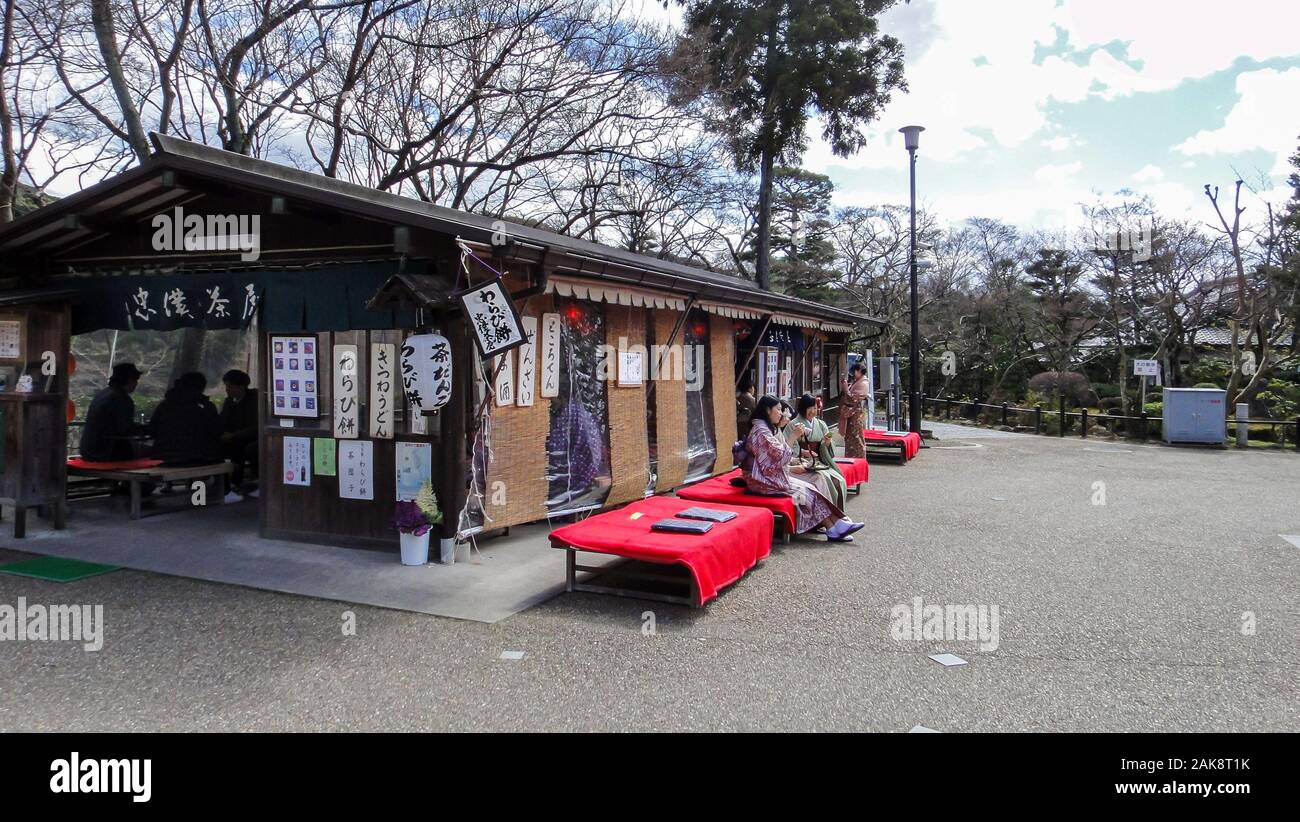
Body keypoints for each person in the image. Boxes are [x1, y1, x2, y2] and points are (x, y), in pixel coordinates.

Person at [741, 394, 865, 542]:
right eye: (778, 410)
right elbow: (779, 456)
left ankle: (837, 524)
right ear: (768, 410)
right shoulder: (761, 431)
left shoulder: (766, 428)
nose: (781, 414)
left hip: (771, 475)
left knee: (810, 487)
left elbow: (777, 457)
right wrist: (793, 437)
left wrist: (824, 443)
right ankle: (833, 527)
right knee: (805, 492)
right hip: (762, 480)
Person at [786, 392, 849, 508]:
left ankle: (839, 513)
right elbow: (789, 447)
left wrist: (827, 443)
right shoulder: (793, 424)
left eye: (815, 408)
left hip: (819, 461)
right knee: (829, 482)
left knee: (839, 481)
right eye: (809, 408)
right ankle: (827, 514)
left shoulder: (821, 424)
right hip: (802, 462)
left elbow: (827, 446)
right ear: (803, 408)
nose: (813, 411)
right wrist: (803, 452)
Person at [149, 372, 222, 466]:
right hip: (196, 456)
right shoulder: (205, 406)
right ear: (201, 388)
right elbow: (215, 431)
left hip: (162, 455)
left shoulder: (165, 405)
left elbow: (152, 430)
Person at [79, 362, 147, 462]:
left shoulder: (102, 394)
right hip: (105, 453)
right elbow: (124, 430)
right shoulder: (122, 399)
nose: (136, 383)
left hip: (87, 451)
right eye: (135, 380)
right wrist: (145, 429)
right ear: (128, 380)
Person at [219, 369, 259, 500]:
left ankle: (257, 481)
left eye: (230, 386)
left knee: (251, 448)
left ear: (241, 386)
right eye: (226, 386)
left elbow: (256, 426)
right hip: (236, 437)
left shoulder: (255, 400)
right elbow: (222, 421)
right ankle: (232, 482)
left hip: (254, 437)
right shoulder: (229, 402)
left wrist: (234, 435)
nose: (227, 390)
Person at [839, 361, 870, 458]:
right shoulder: (858, 381)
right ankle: (850, 457)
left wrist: (846, 389)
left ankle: (859, 459)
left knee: (856, 437)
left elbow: (853, 399)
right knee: (850, 437)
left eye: (855, 372)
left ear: (858, 371)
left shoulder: (863, 383)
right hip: (852, 413)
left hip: (856, 414)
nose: (854, 374)